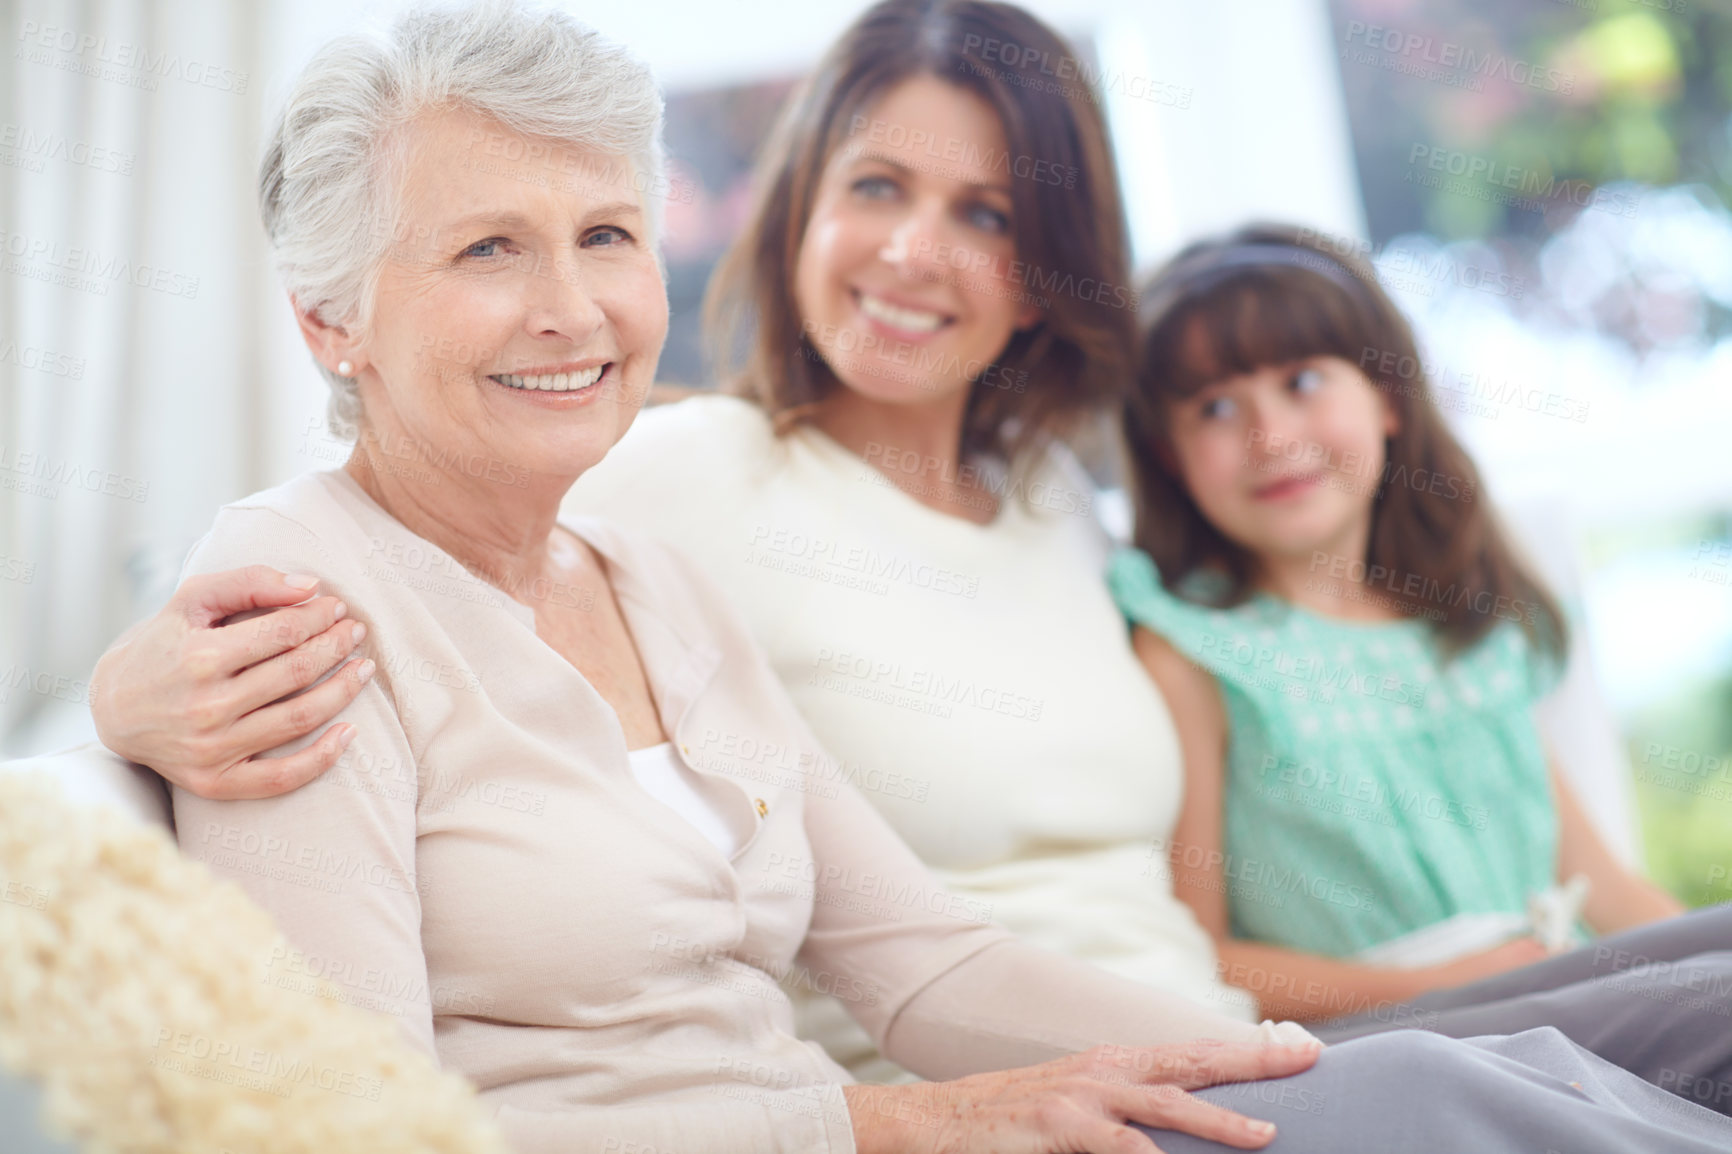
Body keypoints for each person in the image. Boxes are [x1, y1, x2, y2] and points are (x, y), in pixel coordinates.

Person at [81, 2, 1732, 1150]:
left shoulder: (649, 564)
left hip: (1016, 1070)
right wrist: (115, 693)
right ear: (328, 319)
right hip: (897, 1123)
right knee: (1484, 1097)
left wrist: (1258, 1038)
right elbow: (357, 1116)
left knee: (1651, 1013)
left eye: (603, 233)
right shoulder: (302, 602)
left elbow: (925, 959)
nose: (573, 306)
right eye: (484, 246)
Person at [1107, 222, 1688, 1021]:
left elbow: (1609, 890)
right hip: (1391, 1042)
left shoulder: (1461, 628)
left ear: (1386, 398)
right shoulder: (1193, 653)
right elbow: (1195, 956)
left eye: (1303, 381)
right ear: (1168, 454)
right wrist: (1435, 989)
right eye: (1214, 407)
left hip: (1558, 1004)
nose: (1271, 438)